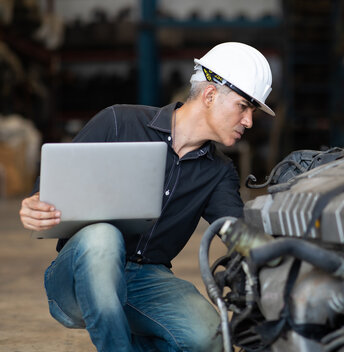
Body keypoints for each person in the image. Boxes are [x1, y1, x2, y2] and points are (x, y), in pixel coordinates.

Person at [19, 42, 274, 352]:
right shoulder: (119, 122)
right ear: (209, 96)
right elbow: (50, 189)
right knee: (102, 237)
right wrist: (35, 203)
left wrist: (276, 253)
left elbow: (237, 231)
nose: (249, 121)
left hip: (146, 280)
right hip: (79, 274)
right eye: (243, 107)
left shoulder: (218, 172)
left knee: (212, 339)